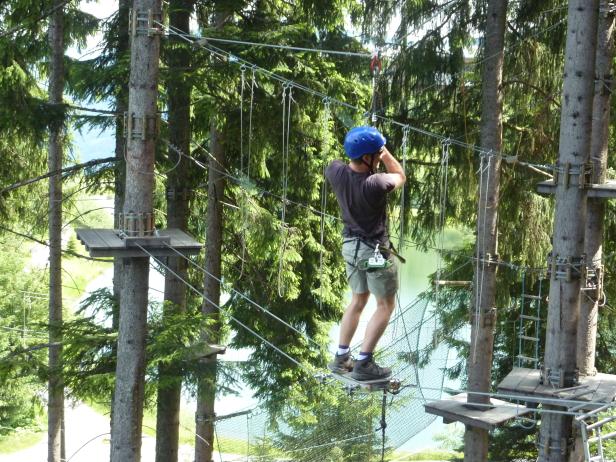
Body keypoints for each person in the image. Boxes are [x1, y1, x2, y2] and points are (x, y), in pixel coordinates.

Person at [325, 126, 406, 381]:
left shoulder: (335, 171)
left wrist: (370, 149)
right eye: (374, 154)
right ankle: (364, 363)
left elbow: (340, 162)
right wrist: (383, 153)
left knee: (358, 299)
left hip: (350, 247)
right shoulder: (376, 183)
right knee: (385, 305)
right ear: (368, 158)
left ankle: (341, 357)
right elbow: (400, 175)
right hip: (375, 252)